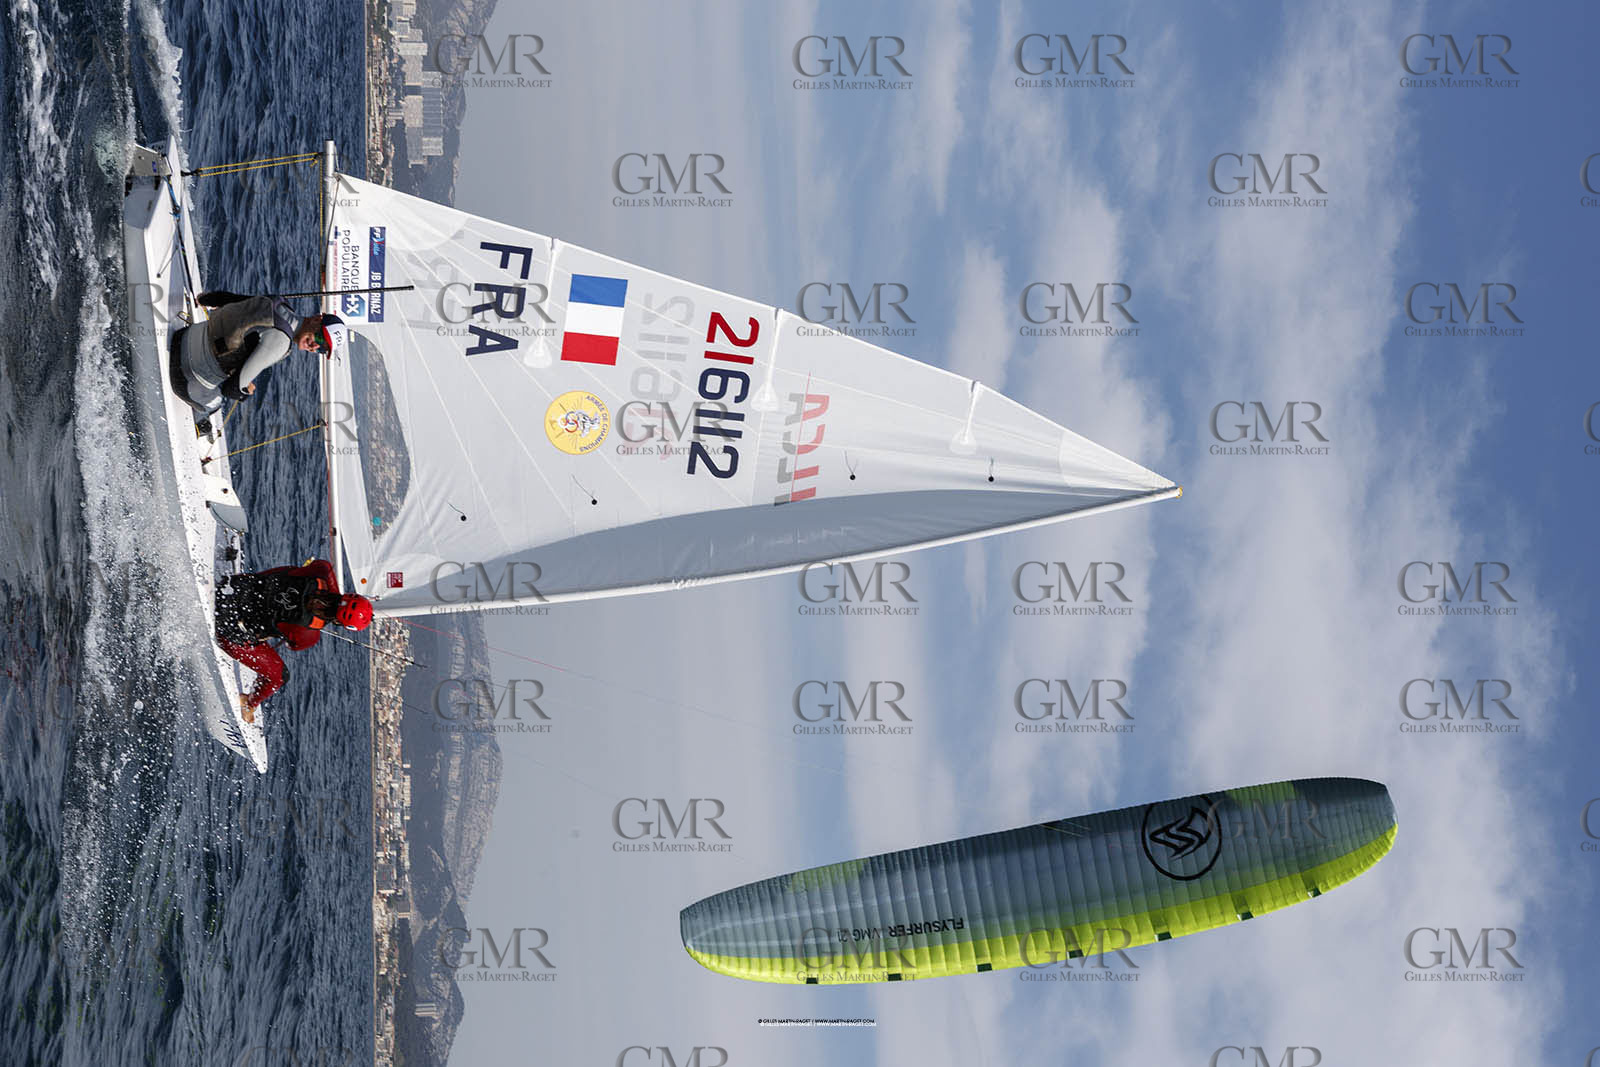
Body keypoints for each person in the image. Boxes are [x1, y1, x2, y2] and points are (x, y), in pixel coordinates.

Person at [215, 558, 373, 720]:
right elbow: (293, 645)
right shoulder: (309, 634)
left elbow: (322, 568)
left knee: (284, 575)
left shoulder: (322, 571)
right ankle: (249, 704)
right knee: (280, 676)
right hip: (228, 631)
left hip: (230, 587)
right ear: (341, 623)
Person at [171, 295, 347, 411]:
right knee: (216, 404)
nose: (315, 346)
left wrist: (203, 299)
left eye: (323, 349)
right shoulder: (282, 342)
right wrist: (246, 390)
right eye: (321, 338)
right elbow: (231, 389)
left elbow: (225, 298)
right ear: (317, 319)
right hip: (185, 374)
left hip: (184, 336)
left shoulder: (278, 302)